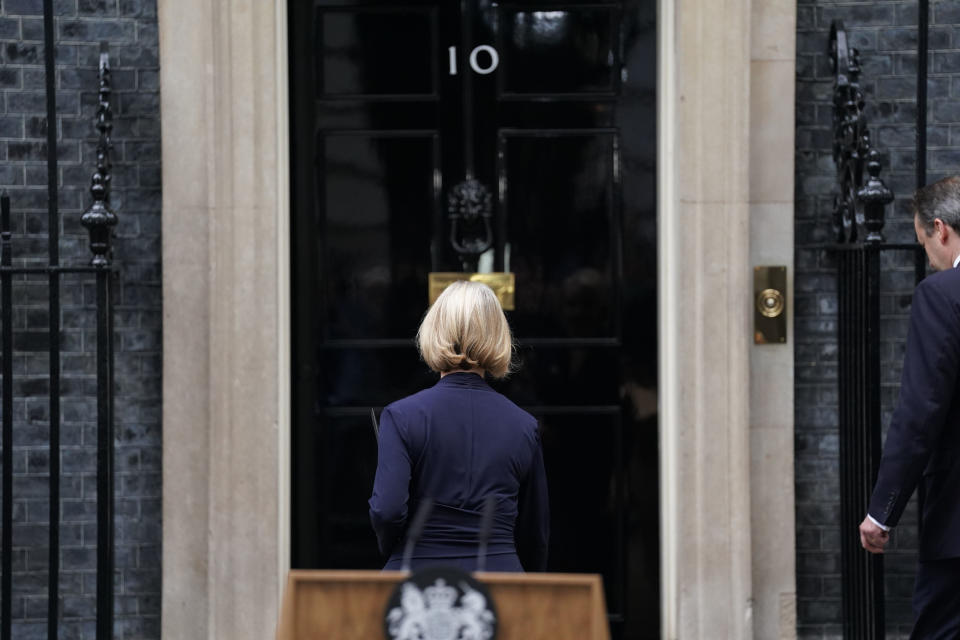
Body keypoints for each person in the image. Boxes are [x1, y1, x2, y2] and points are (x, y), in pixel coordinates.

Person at [369, 280, 550, 572]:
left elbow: (387, 510)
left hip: (418, 583)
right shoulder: (523, 426)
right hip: (499, 578)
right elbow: (535, 534)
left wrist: (400, 553)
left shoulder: (401, 416)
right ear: (496, 336)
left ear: (434, 331)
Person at [859, 176, 960, 639]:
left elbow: (920, 412)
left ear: (940, 229)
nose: (929, 258)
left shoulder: (943, 296)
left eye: (924, 244)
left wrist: (883, 511)